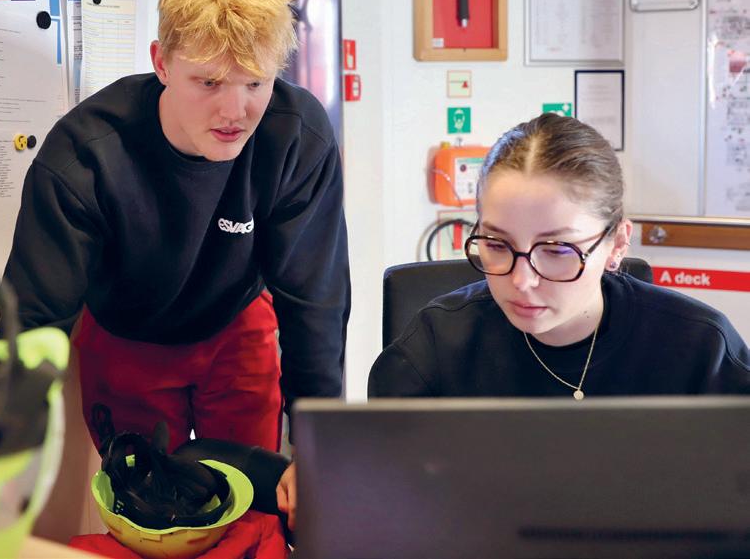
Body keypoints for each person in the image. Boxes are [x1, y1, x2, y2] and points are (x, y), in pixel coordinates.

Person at [276, 112, 750, 529]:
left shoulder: (700, 350)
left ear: (617, 244)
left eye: (557, 249)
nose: (521, 281)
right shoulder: (433, 349)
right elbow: (389, 511)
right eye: (497, 245)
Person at [4, 0, 350, 455]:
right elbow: (34, 318)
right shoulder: (84, 156)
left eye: (255, 83)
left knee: (251, 487)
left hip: (235, 322)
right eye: (209, 82)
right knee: (141, 494)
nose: (235, 112)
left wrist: (320, 448)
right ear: (162, 63)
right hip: (127, 333)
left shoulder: (298, 137)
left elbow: (316, 298)